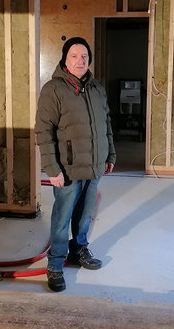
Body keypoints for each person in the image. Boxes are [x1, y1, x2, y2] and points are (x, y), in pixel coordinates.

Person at [35, 36, 116, 292]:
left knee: (84, 215)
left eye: (84, 56)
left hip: (94, 165)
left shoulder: (96, 88)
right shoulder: (53, 89)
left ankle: (78, 249)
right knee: (62, 218)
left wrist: (110, 155)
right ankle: (55, 264)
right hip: (67, 168)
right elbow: (43, 131)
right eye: (74, 56)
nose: (80, 61)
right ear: (65, 59)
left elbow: (106, 123)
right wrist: (52, 169)